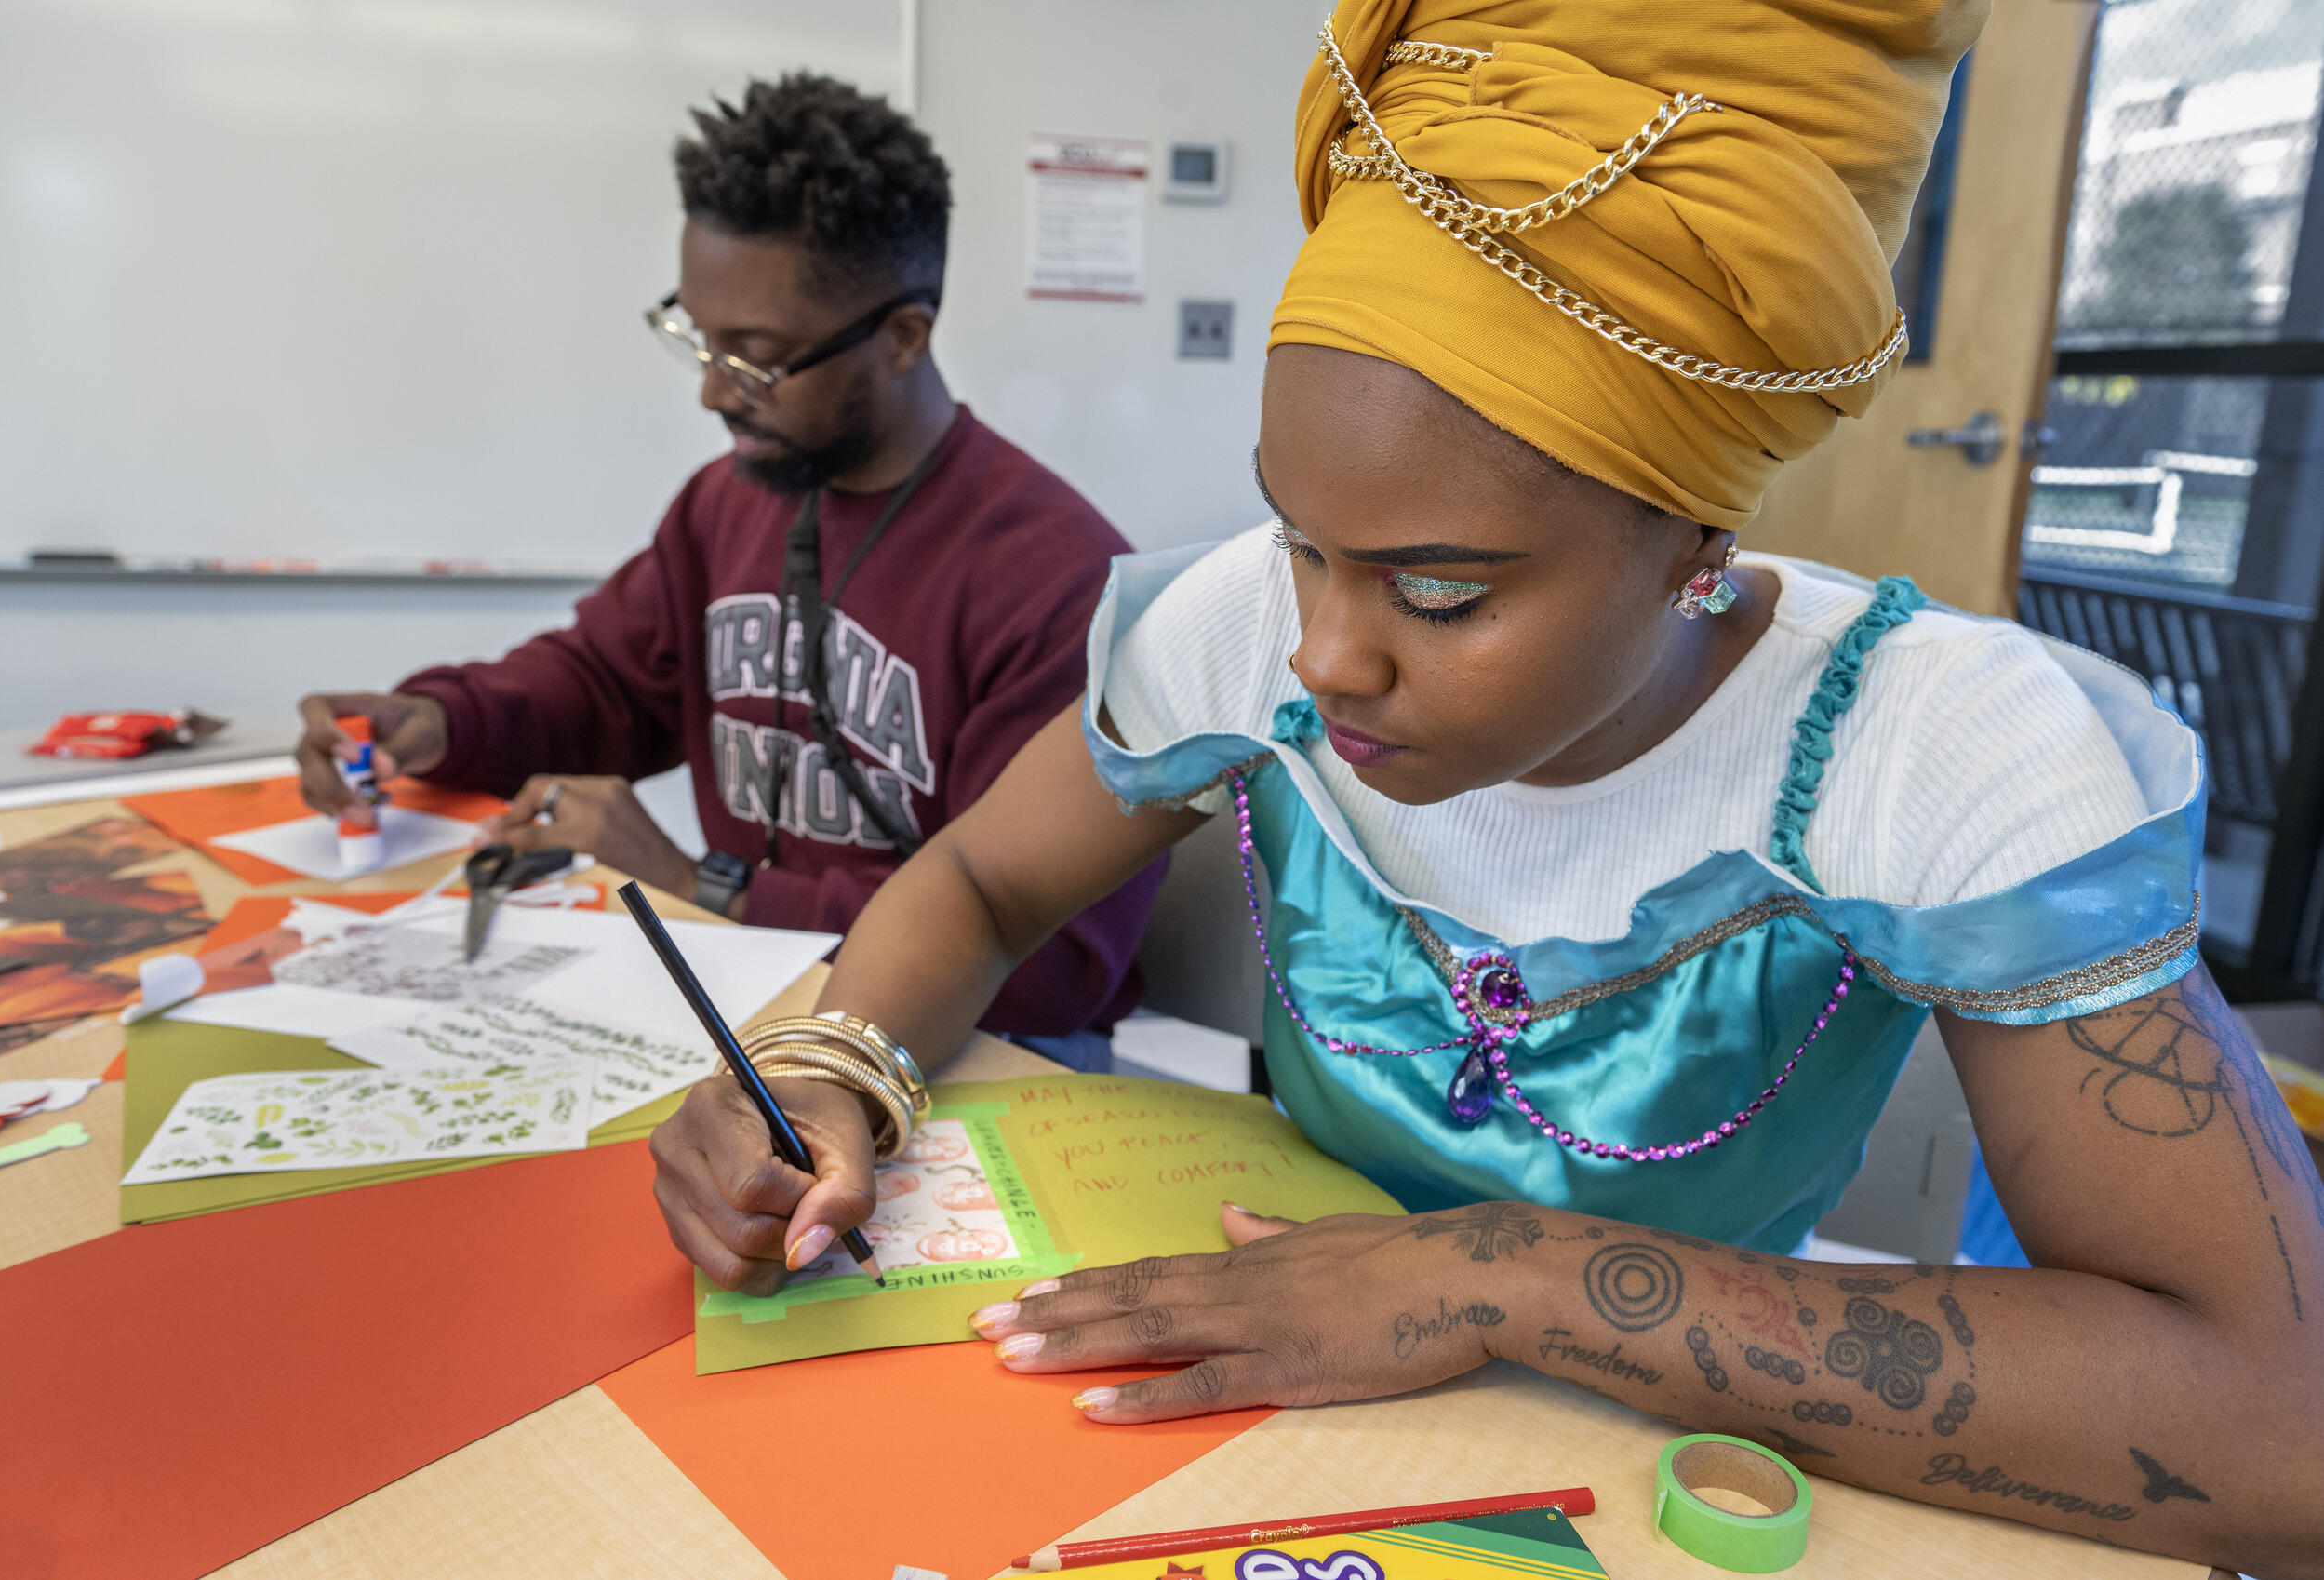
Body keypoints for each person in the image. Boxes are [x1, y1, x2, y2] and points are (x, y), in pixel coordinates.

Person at [646, 5, 2324, 1571]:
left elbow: (2275, 1426)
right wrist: (830, 1063)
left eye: (1438, 593)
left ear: (1693, 542)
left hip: (1673, 1453)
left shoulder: (1934, 751)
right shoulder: (1247, 626)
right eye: (1297, 539)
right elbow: (984, 883)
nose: (1320, 653)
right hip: (1273, 1396)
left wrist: (1502, 1274)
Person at [291, 74, 1159, 1061]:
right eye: (697, 339)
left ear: (904, 338)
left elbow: (1049, 965)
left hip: (983, 1054)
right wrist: (444, 720)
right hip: (751, 1000)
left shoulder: (1059, 583)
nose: (711, 391)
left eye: (752, 357)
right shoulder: (729, 502)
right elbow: (603, 682)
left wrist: (701, 883)